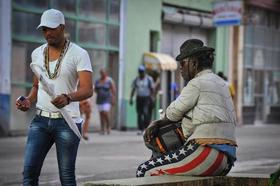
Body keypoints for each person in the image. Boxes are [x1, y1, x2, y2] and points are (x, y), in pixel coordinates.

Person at [137, 39, 237, 177]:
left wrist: (156, 123)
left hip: (206, 153)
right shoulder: (221, 83)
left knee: (145, 171)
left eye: (183, 63)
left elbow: (172, 113)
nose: (180, 68)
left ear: (194, 64)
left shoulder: (196, 83)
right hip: (226, 160)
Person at [15, 9, 93, 185]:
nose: (47, 33)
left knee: (66, 177)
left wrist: (68, 97)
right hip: (40, 121)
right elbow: (36, 86)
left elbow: (88, 89)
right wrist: (28, 100)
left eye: (51, 28)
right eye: (44, 29)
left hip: (67, 121)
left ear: (62, 27)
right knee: (29, 174)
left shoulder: (79, 53)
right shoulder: (36, 53)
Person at [130, 65, 154, 135]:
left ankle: (146, 128)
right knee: (139, 114)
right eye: (140, 72)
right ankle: (140, 128)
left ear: (144, 72)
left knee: (146, 113)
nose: (141, 73)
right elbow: (133, 89)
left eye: (142, 72)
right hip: (139, 98)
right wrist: (131, 98)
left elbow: (152, 89)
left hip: (147, 98)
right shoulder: (136, 80)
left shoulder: (148, 79)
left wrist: (152, 98)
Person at [95, 68, 116, 135]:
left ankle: (108, 126)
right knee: (101, 114)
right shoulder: (98, 81)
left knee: (105, 113)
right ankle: (102, 129)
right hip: (99, 100)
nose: (102, 74)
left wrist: (113, 98)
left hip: (107, 99)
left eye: (103, 73)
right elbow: (95, 89)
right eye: (101, 73)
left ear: (106, 73)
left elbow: (113, 90)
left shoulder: (109, 80)